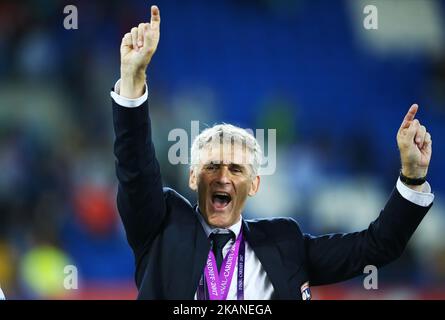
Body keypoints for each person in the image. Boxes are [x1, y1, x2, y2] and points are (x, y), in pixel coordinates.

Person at [111, 5, 434, 300]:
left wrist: (413, 177)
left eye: (237, 169)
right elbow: (136, 167)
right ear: (193, 176)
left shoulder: (284, 242)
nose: (223, 177)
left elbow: (376, 246)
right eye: (212, 166)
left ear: (254, 184)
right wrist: (133, 77)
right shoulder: (163, 227)